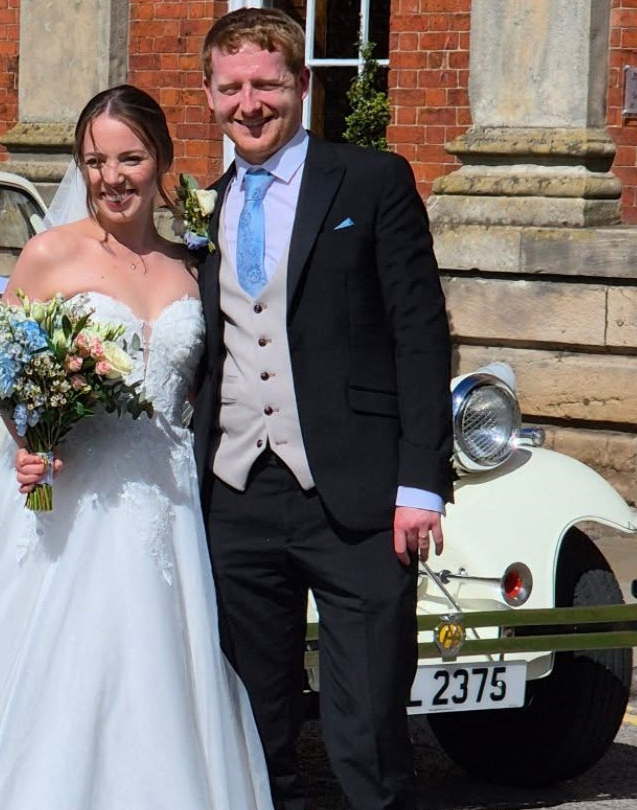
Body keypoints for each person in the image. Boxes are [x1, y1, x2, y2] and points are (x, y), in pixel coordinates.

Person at [0, 85, 272, 810]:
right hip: (73, 503)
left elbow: (201, 390)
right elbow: (7, 373)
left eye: (130, 158)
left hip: (168, 505)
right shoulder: (50, 255)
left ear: (162, 159)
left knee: (162, 680)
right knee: (58, 679)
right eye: (95, 160)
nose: (112, 177)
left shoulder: (192, 264)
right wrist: (29, 442)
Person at [190, 9, 453, 810]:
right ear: (208, 95)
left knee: (368, 727)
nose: (250, 103)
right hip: (234, 493)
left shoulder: (371, 180)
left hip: (361, 497)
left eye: (267, 83)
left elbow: (420, 333)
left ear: (301, 84)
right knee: (254, 729)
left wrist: (421, 483)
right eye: (231, 86)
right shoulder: (200, 207)